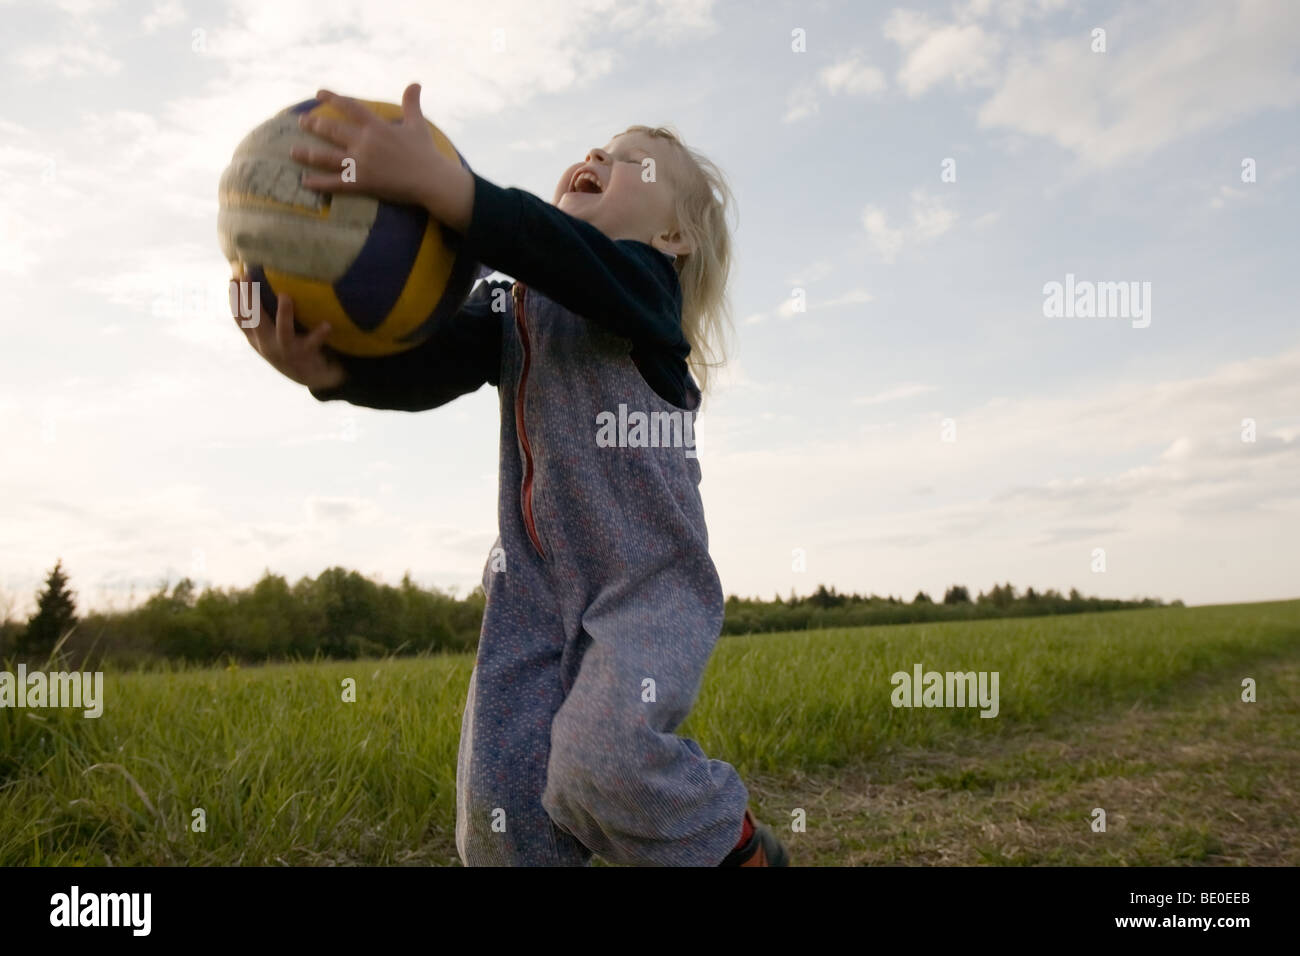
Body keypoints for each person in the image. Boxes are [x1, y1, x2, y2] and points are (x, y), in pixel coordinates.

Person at [233, 84, 789, 866]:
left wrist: (451, 192)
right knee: (500, 805)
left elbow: (551, 249)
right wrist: (327, 370)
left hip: (644, 589)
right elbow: (430, 366)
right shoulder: (516, 305)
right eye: (597, 149)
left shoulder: (643, 295)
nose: (598, 158)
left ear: (674, 234)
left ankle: (734, 849)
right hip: (528, 596)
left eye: (634, 162)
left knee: (603, 764)